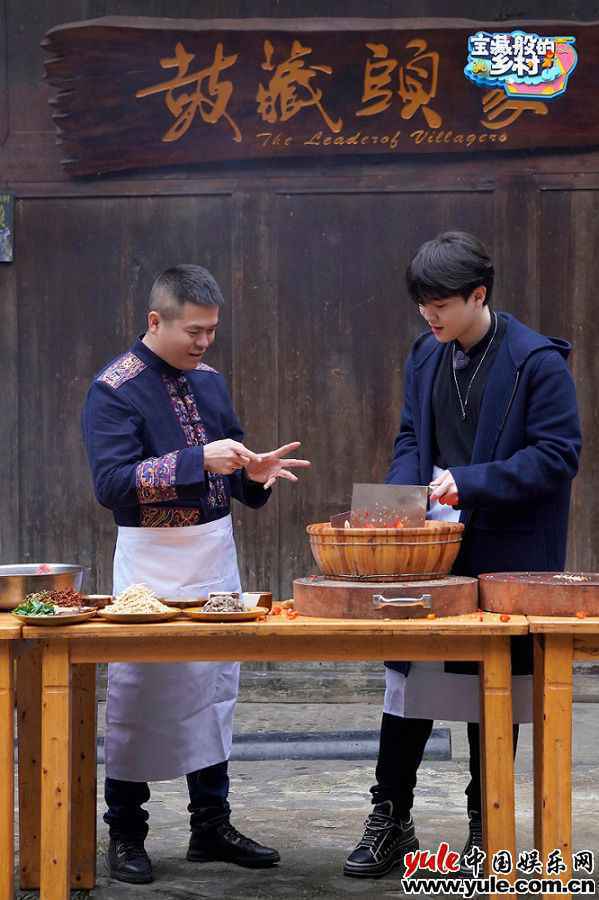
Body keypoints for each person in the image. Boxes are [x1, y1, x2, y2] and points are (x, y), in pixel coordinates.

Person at [344, 231, 581, 879]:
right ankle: (390, 818)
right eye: (422, 303)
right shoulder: (424, 353)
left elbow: (559, 456)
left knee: (489, 691)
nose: (429, 315)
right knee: (405, 685)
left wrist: (467, 482)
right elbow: (410, 435)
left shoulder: (536, 362)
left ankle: (486, 822)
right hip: (428, 552)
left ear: (478, 295)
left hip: (505, 552)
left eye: (440, 304)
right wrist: (402, 496)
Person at [82, 264, 310, 884]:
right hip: (150, 561)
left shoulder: (210, 382)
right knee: (139, 692)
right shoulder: (114, 388)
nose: (204, 342)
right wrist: (195, 459)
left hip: (214, 553)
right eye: (193, 330)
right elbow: (109, 484)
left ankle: (211, 824)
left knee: (214, 691)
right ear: (155, 321)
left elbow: (229, 460)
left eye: (211, 330)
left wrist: (252, 473)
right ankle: (126, 831)